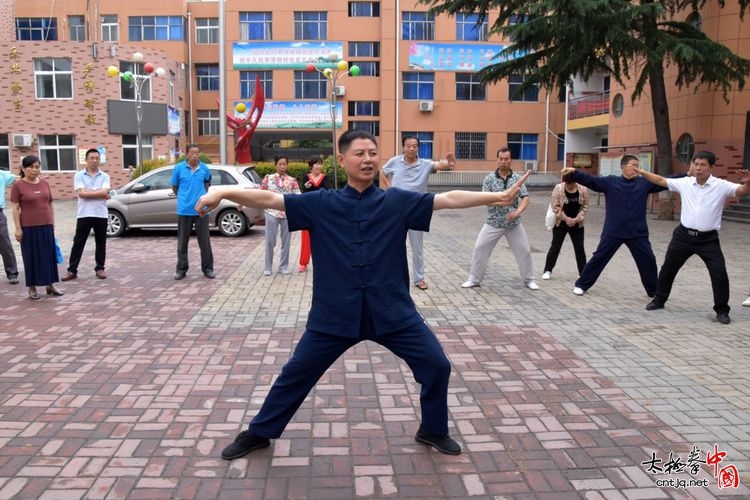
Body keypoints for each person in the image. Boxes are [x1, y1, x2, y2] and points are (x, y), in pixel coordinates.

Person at [194, 130, 530, 460]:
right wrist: (222, 192)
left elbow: (445, 200)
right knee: (296, 373)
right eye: (360, 153)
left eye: (372, 153)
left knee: (437, 365)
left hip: (392, 311)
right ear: (342, 159)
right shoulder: (321, 203)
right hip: (334, 314)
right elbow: (270, 199)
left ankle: (433, 429)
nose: (368, 159)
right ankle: (259, 432)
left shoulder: (395, 201)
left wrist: (495, 198)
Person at [638, 151, 750, 324]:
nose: (698, 167)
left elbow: (741, 190)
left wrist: (748, 182)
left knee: (719, 273)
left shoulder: (720, 186)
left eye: (702, 164)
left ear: (712, 167)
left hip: (708, 239)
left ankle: (721, 310)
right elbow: (661, 180)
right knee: (668, 268)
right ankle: (659, 300)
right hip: (683, 236)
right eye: (695, 163)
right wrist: (641, 172)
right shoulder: (685, 183)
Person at [560, 155, 671, 296]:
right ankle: (582, 284)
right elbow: (592, 181)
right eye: (633, 165)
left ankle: (653, 291)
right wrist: (575, 172)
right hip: (613, 231)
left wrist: (687, 175)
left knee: (648, 260)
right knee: (599, 258)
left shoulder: (644, 183)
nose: (637, 168)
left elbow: (666, 181)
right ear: (623, 168)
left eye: (638, 165)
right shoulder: (611, 182)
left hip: (637, 232)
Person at [381, 136, 455, 290]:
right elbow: (382, 171)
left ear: (418, 148)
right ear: (403, 147)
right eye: (408, 146)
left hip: (417, 209)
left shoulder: (425, 164)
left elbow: (439, 165)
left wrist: (449, 163)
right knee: (392, 245)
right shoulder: (395, 161)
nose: (411, 149)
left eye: (414, 146)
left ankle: (419, 279)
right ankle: (390, 278)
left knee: (417, 247)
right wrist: (389, 187)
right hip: (396, 209)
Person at [461, 147, 538, 290]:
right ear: (497, 160)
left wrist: (518, 211)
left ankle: (529, 280)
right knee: (480, 248)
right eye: (501, 159)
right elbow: (484, 200)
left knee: (524, 250)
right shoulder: (489, 179)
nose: (503, 161)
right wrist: (502, 202)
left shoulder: (516, 179)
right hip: (493, 222)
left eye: (506, 159)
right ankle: (474, 279)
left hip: (513, 223)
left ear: (511, 161)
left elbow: (525, 198)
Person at [10, 155, 63, 299]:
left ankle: (50, 285)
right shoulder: (18, 186)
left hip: (46, 225)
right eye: (31, 167)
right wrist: (18, 228)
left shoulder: (44, 184)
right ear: (23, 169)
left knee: (49, 256)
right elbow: (15, 208)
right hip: (28, 227)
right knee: (31, 257)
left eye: (37, 167)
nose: (34, 170)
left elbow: (50, 203)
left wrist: (52, 222)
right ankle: (32, 287)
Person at [61, 148, 111, 281]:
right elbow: (81, 194)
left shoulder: (105, 176)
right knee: (78, 242)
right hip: (84, 214)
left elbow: (105, 191)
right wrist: (100, 193)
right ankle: (72, 270)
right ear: (86, 160)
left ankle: (100, 268)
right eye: (92, 158)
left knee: (101, 243)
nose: (95, 160)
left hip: (101, 214)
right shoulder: (79, 175)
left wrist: (91, 192)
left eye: (97, 158)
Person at [171, 144, 214, 280]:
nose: (195, 155)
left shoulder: (204, 169)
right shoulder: (178, 168)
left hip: (201, 210)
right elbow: (175, 187)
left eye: (197, 152)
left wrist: (201, 200)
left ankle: (208, 269)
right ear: (187, 154)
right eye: (192, 153)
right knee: (182, 242)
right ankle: (181, 269)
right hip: (184, 210)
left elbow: (207, 186)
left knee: (205, 242)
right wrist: (184, 199)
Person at [260, 154, 300, 276]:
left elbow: (298, 194)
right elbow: (259, 192)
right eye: (280, 164)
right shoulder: (268, 178)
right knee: (270, 241)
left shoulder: (292, 180)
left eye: (284, 164)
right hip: (271, 212)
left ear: (287, 165)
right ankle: (268, 267)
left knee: (286, 242)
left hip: (287, 214)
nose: (282, 166)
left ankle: (283, 267)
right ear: (275, 165)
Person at [541, 179, 589, 280]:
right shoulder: (558, 189)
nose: (569, 186)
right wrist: (566, 218)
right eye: (567, 183)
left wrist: (576, 219)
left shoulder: (583, 189)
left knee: (579, 247)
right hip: (561, 222)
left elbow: (585, 206)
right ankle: (547, 270)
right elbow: (555, 206)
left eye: (571, 183)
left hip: (577, 223)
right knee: (555, 246)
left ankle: (583, 273)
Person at [298, 155, 331, 273]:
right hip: (307, 211)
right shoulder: (305, 177)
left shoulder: (325, 178)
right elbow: (303, 194)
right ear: (311, 166)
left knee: (323, 238)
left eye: (320, 163)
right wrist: (306, 188)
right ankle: (303, 263)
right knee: (305, 239)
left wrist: (312, 189)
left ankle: (324, 262)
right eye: (316, 164)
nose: (319, 166)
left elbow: (327, 193)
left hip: (321, 212)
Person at [0, 167, 20, 285]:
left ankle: (12, 273)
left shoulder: (1, 174)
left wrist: (32, 180)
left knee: (5, 245)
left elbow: (17, 180)